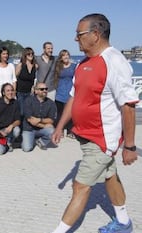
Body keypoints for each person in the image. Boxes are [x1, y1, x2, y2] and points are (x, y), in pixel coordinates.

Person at [51, 13, 138, 233]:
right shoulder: (83, 64)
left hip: (102, 140)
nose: (75, 39)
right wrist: (61, 126)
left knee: (80, 186)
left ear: (96, 35)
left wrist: (129, 146)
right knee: (110, 176)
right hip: (86, 136)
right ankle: (123, 222)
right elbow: (73, 97)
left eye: (79, 34)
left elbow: (128, 105)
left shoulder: (114, 61)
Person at [21, 82, 56, 152]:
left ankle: (41, 141)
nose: (44, 91)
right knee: (26, 148)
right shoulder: (28, 101)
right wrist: (44, 126)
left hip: (40, 130)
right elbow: (30, 120)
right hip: (29, 129)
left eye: (46, 89)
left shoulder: (51, 103)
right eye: (42, 89)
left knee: (52, 130)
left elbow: (51, 120)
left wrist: (40, 120)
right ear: (36, 91)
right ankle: (28, 139)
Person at [0, 83, 21, 154]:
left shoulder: (16, 103)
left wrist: (11, 126)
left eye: (12, 90)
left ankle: (9, 142)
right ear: (3, 93)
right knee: (0, 152)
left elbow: (18, 120)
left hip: (10, 129)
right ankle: (4, 143)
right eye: (8, 91)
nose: (10, 92)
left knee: (17, 130)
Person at [54, 49, 75, 138]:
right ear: (61, 58)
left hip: (70, 93)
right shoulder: (58, 67)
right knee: (60, 113)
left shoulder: (74, 66)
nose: (66, 57)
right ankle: (60, 130)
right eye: (63, 55)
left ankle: (70, 131)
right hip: (60, 93)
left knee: (71, 113)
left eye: (67, 55)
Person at [15, 47, 38, 118]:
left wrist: (33, 87)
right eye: (29, 54)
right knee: (21, 112)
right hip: (20, 92)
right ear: (25, 55)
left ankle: (27, 127)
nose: (31, 55)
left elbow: (34, 79)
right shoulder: (20, 65)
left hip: (29, 93)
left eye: (32, 54)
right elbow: (15, 78)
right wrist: (14, 91)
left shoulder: (35, 66)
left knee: (29, 111)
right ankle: (20, 127)